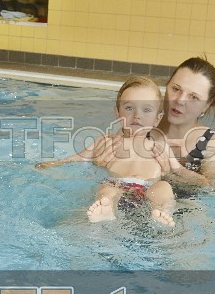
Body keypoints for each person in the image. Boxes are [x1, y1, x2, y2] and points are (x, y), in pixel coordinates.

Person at [37, 76, 176, 226]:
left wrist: (173, 173)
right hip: (117, 185)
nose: (137, 115)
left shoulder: (161, 147)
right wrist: (51, 164)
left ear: (157, 118)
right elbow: (77, 158)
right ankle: (106, 208)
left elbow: (179, 172)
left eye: (146, 110)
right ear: (117, 112)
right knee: (107, 189)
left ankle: (163, 212)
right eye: (129, 108)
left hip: (148, 188)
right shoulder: (106, 141)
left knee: (163, 187)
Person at [93, 57, 215, 187]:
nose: (180, 100)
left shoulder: (213, 146)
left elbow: (211, 191)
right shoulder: (139, 126)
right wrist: (99, 164)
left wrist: (170, 174)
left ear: (207, 104)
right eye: (176, 89)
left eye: (194, 97)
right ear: (166, 86)